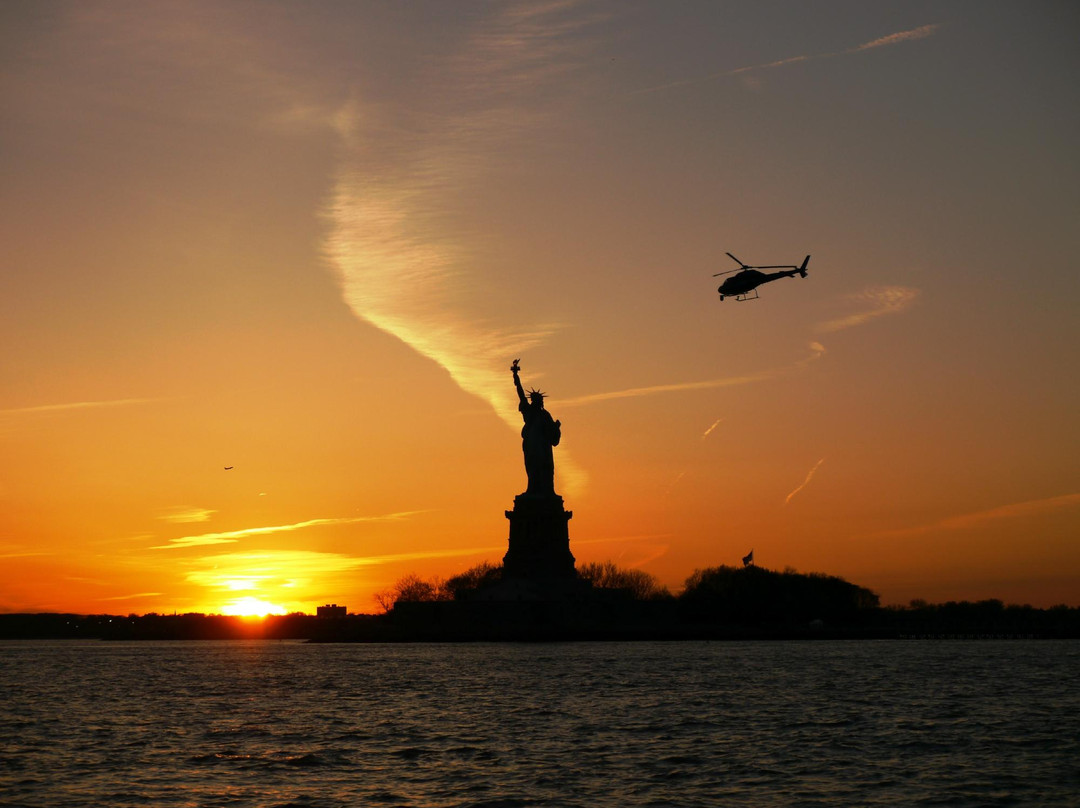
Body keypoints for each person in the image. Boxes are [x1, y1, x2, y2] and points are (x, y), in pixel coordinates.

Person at [511, 359, 561, 497]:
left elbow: (553, 436)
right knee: (532, 467)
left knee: (543, 467)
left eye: (540, 400)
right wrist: (515, 376)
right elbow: (520, 393)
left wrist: (556, 427)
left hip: (542, 448)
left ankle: (543, 491)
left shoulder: (544, 415)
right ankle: (532, 490)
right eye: (537, 400)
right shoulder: (529, 411)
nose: (539, 402)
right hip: (531, 446)